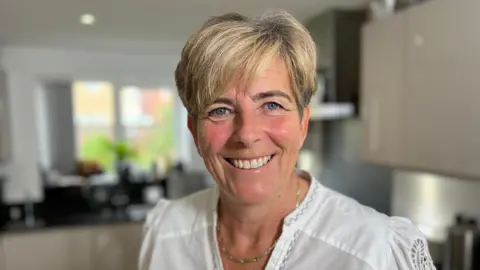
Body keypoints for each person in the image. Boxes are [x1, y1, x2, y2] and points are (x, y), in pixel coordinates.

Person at [139, 11, 436, 270]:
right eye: (220, 110)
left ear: (303, 123)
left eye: (271, 105)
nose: (246, 134)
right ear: (194, 130)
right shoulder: (166, 232)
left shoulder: (374, 251)